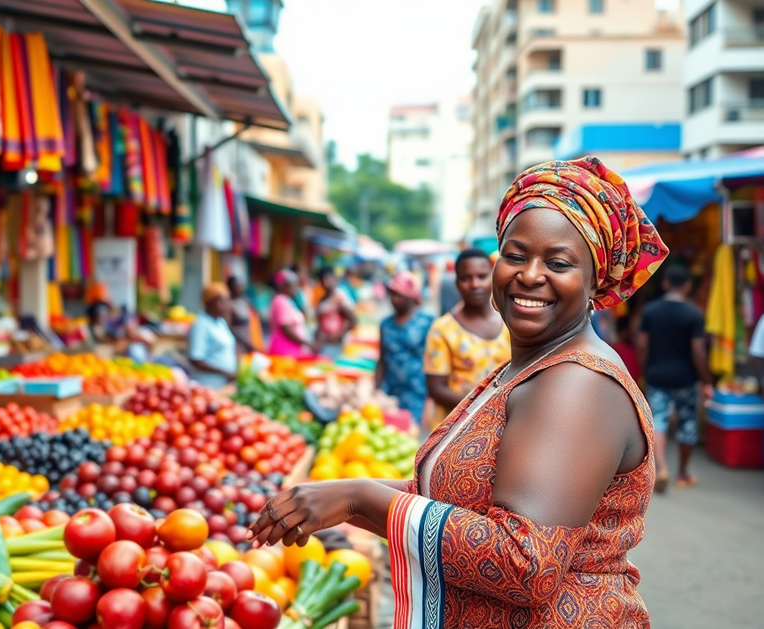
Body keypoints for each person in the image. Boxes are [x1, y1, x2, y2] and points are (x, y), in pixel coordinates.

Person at [246, 157, 668, 629]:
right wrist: (338, 497)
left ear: (596, 281)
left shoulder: (578, 383)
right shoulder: (524, 367)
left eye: (558, 262)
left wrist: (360, 498)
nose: (529, 275)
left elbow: (525, 564)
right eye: (514, 254)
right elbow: (462, 506)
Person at [637, 264, 713, 492]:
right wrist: (707, 381)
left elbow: (642, 344)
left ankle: (661, 468)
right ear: (688, 286)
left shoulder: (650, 311)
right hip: (685, 378)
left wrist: (644, 371)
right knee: (687, 424)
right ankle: (682, 474)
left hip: (657, 375)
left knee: (658, 420)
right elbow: (698, 351)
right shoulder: (693, 314)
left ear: (666, 284)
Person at [423, 248, 510, 430]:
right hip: (454, 429)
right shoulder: (443, 329)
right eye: (465, 278)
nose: (474, 284)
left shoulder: (511, 322)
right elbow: (437, 389)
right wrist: (485, 408)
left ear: (493, 277)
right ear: (457, 283)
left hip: (502, 427)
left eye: (481, 276)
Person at [375, 272, 434, 423]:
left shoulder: (427, 323)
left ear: (410, 296)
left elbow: (434, 362)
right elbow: (382, 360)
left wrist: (430, 401)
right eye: (392, 294)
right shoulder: (386, 325)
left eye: (398, 295)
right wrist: (376, 390)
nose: (393, 300)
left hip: (417, 393)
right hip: (391, 392)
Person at [187, 283, 238, 389]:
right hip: (208, 385)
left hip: (224, 385)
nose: (226, 306)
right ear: (209, 303)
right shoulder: (201, 325)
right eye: (221, 302)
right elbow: (195, 359)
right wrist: (224, 372)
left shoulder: (220, 322)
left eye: (227, 301)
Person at [268, 269, 315, 358]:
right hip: (283, 350)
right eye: (294, 285)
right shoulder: (280, 301)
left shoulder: (288, 301)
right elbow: (286, 329)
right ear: (285, 286)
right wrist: (306, 343)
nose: (296, 289)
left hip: (291, 350)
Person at [314, 267, 358, 359]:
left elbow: (353, 320)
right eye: (323, 280)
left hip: (334, 343)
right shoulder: (322, 299)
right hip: (323, 341)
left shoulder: (338, 297)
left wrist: (339, 335)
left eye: (328, 278)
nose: (326, 283)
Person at [226, 277, 260, 354]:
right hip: (237, 345)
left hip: (248, 343)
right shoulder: (228, 305)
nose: (241, 288)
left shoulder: (244, 302)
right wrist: (246, 344)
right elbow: (229, 328)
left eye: (241, 286)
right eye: (237, 286)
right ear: (230, 287)